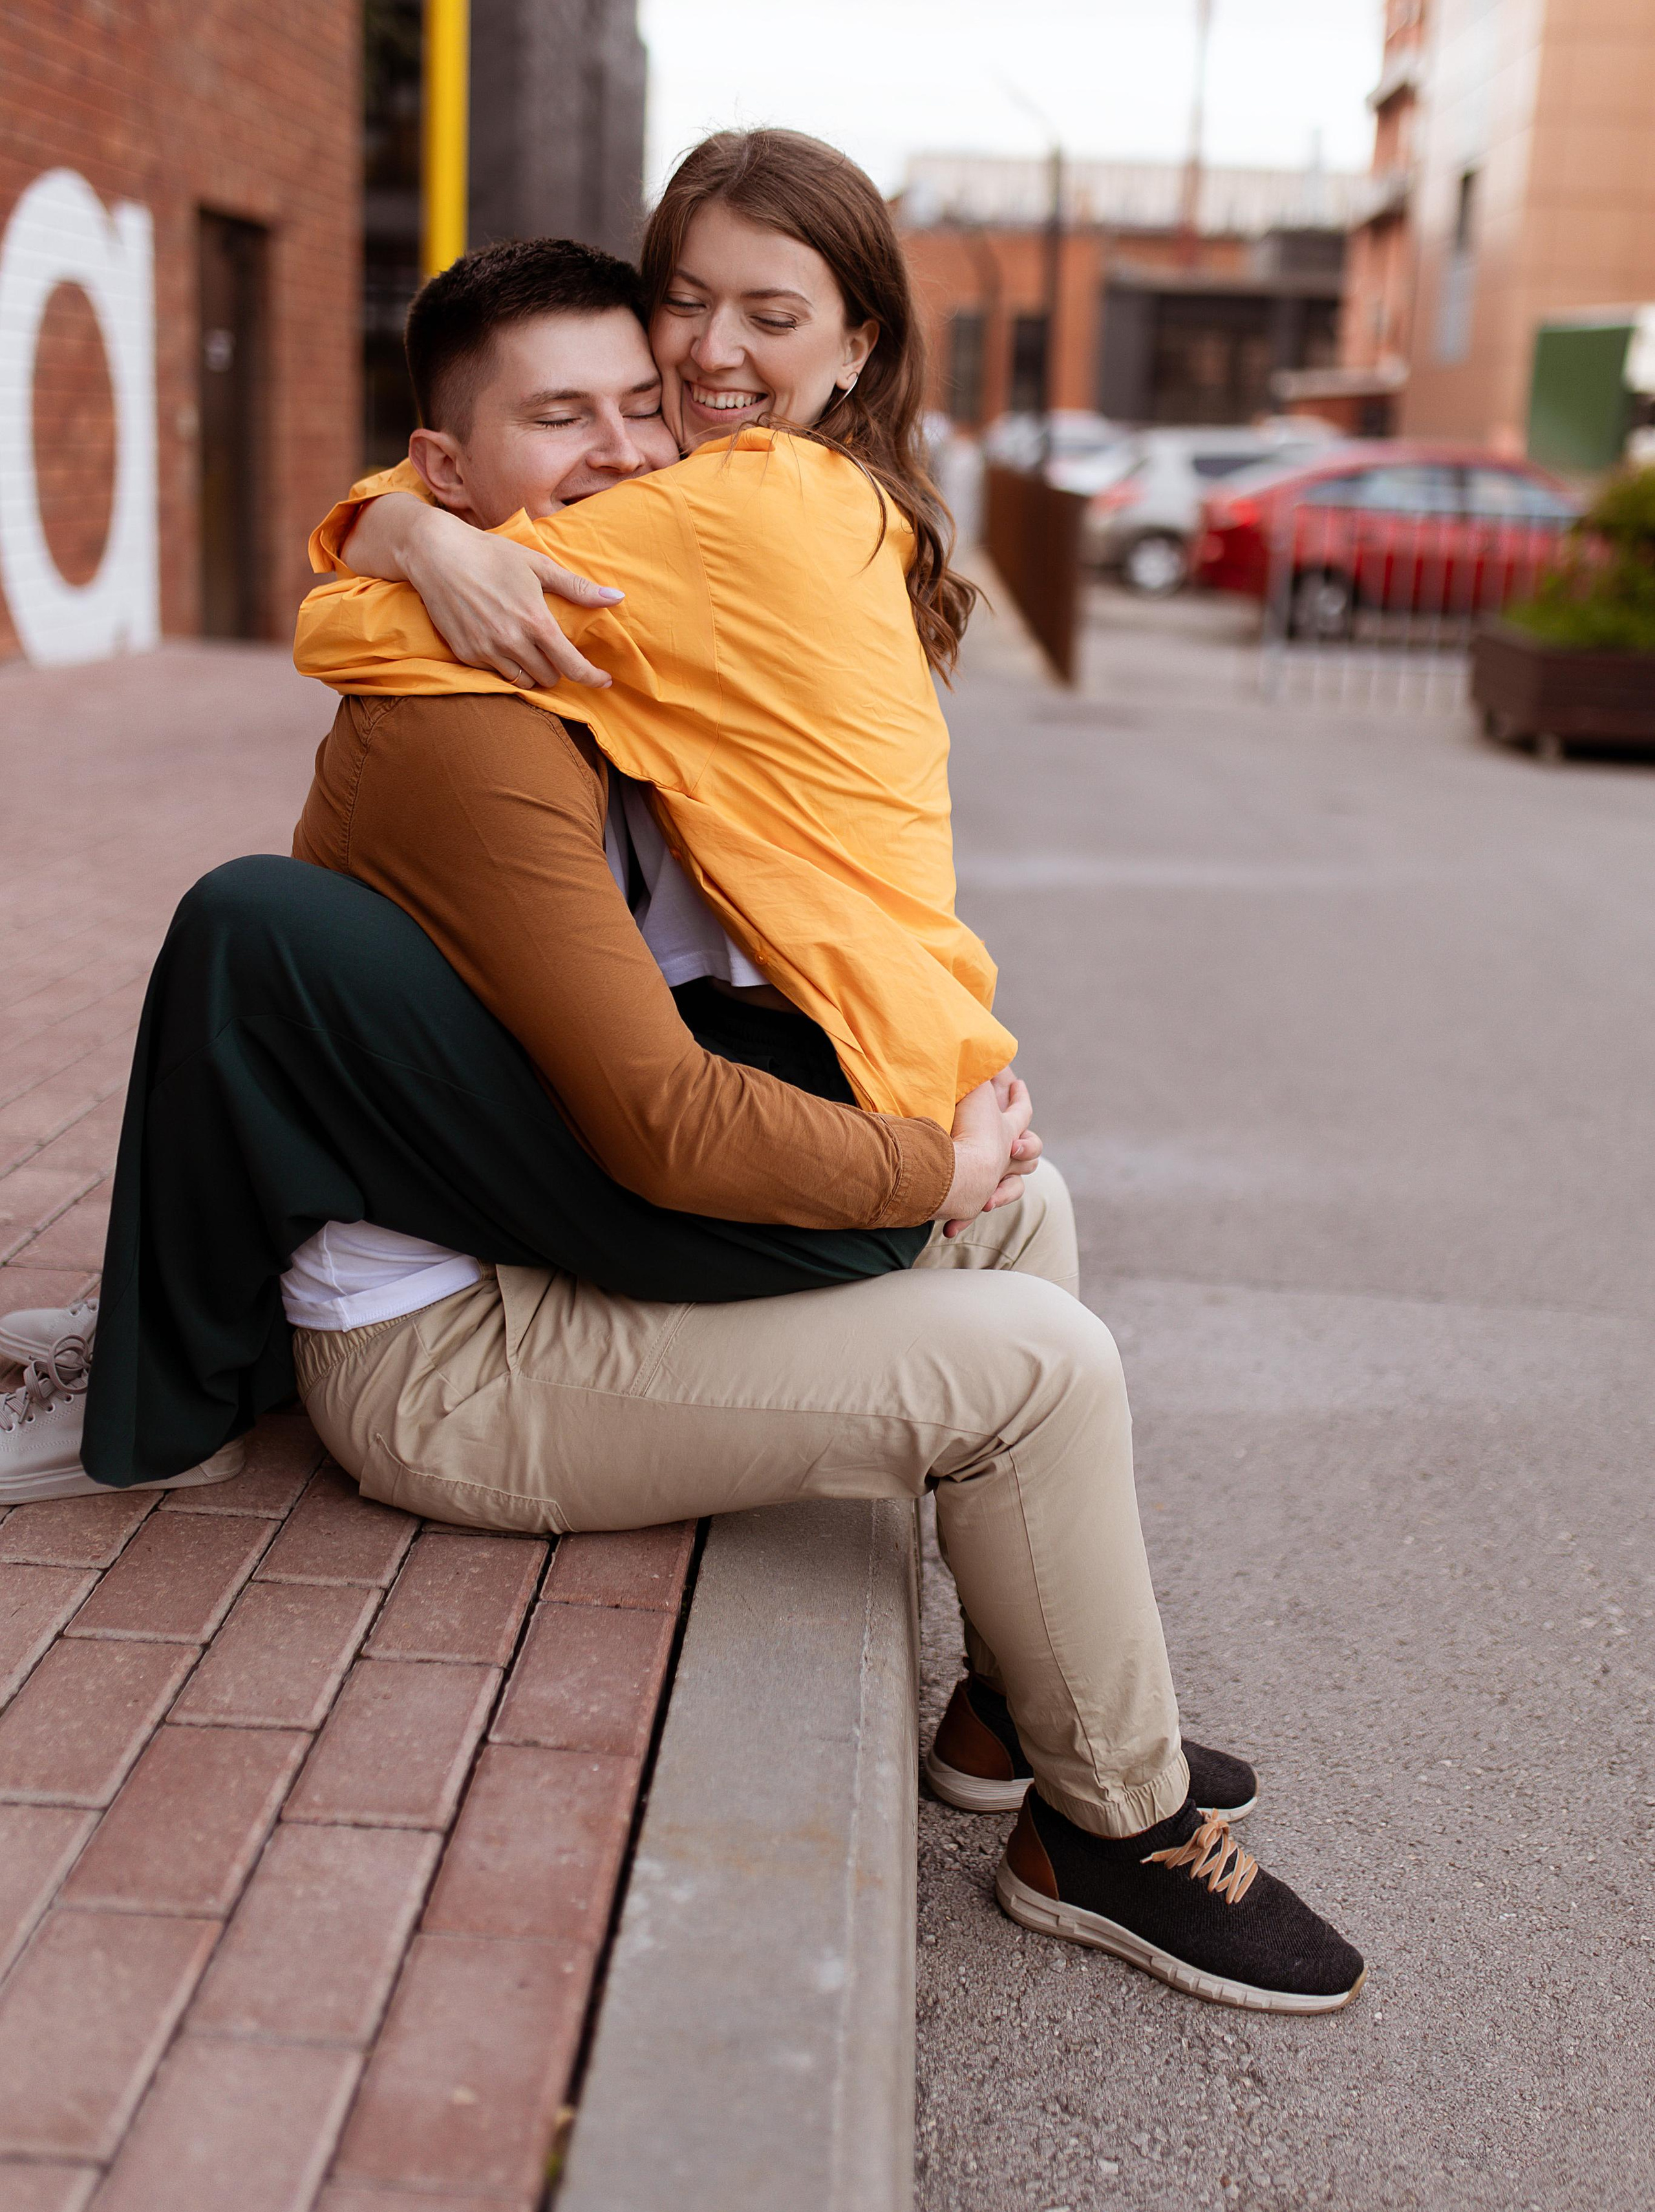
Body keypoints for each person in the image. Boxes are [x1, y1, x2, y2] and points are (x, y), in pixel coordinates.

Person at [1, 133, 1367, 2012]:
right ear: (463, 466)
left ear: (858, 343)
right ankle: (1108, 1827)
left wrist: (411, 525)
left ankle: (1017, 1704)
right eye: (587, 405)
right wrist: (403, 536)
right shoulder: (494, 707)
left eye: (646, 395)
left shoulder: (628, 617)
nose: (650, 432)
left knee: (1028, 1205)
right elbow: (650, 1115)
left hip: (540, 1237)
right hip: (454, 1356)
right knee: (1038, 1362)